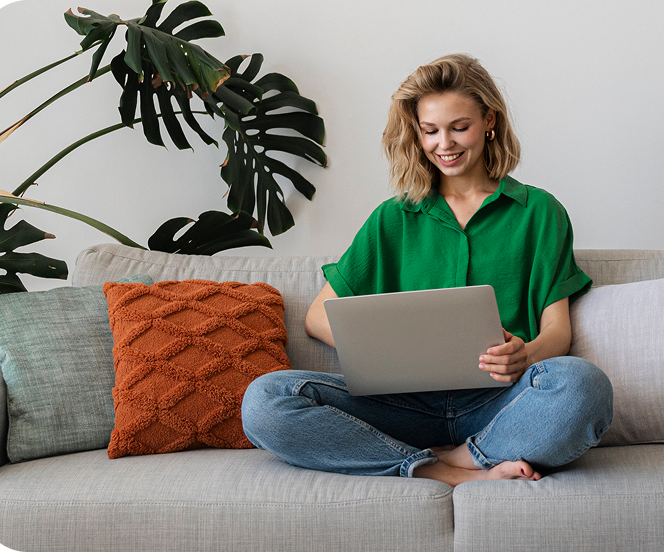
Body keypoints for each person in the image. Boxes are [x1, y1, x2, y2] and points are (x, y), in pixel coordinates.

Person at [241, 54, 613, 486]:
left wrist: (523, 355)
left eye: (460, 127)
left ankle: (464, 454)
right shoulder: (393, 218)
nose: (445, 144)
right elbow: (318, 316)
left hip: (502, 402)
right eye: (430, 131)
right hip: (400, 406)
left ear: (489, 120)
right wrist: (388, 345)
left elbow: (557, 332)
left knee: (584, 386)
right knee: (265, 399)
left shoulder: (540, 212)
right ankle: (444, 469)